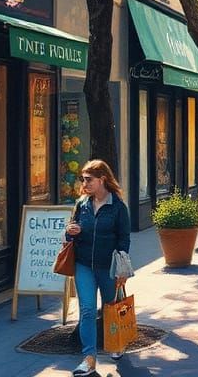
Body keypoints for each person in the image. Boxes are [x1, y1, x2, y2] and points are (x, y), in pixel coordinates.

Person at [65, 159, 131, 377]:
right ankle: (89, 358)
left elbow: (124, 240)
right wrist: (70, 232)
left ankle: (116, 343)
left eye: (88, 179)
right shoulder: (81, 204)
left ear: (102, 179)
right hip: (83, 265)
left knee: (111, 307)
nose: (85, 183)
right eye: (83, 179)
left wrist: (121, 269)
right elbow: (69, 233)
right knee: (87, 310)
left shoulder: (118, 207)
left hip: (108, 267)